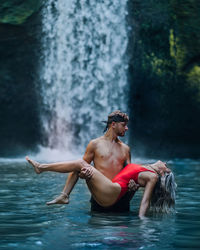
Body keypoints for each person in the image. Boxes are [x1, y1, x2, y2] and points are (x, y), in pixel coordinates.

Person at [46, 110, 137, 212]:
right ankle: (64, 195)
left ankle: (42, 168)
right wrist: (83, 175)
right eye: (124, 125)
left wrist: (133, 184)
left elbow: (130, 173)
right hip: (99, 199)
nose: (126, 128)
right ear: (113, 124)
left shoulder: (125, 149)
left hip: (121, 199)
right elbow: (78, 169)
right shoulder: (95, 144)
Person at [26, 156, 172, 218]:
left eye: (167, 166)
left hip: (113, 193)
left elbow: (145, 201)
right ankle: (64, 195)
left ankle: (41, 167)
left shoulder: (153, 176)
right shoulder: (146, 168)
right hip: (109, 191)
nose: (165, 163)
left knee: (80, 163)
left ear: (163, 172)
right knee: (82, 168)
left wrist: (142, 222)